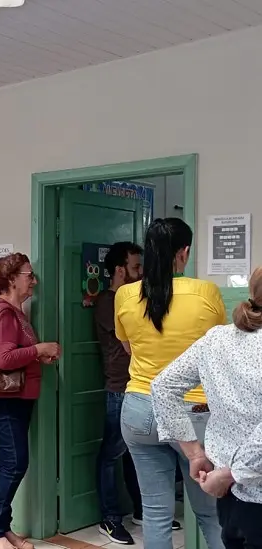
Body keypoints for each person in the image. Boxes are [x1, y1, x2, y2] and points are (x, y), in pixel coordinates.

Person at [115, 218, 225, 549]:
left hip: (139, 409)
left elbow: (128, 347)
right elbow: (217, 348)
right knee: (210, 513)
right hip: (194, 411)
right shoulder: (205, 292)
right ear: (184, 252)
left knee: (155, 513)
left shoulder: (125, 295)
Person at [152, 266, 262, 549]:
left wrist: (195, 454)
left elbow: (163, 386)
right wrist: (230, 474)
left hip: (230, 495)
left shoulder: (216, 339)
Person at [0, 253, 60, 549]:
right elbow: (3, 359)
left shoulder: (15, 311)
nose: (34, 281)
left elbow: (16, 354)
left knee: (11, 462)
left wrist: (38, 356)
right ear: (12, 279)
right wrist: (40, 348)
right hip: (5, 400)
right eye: (29, 275)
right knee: (14, 463)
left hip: (16, 398)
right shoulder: (4, 312)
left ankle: (2, 527)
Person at [94, 242, 158, 544]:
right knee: (112, 453)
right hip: (120, 387)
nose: (141, 272)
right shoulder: (108, 301)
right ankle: (109, 518)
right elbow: (130, 343)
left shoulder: (132, 299)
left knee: (137, 453)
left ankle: (141, 511)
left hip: (140, 385)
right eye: (135, 267)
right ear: (120, 270)